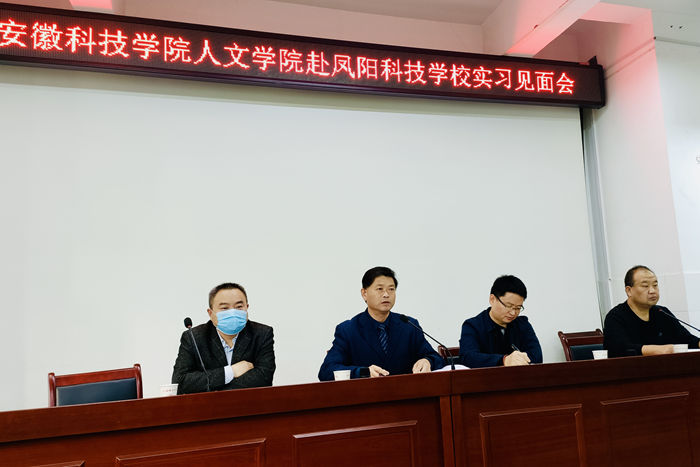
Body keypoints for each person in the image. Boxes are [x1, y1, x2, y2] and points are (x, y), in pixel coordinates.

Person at [318, 266, 444, 380]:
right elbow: (326, 371)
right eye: (379, 289)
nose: (386, 294)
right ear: (364, 293)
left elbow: (437, 358)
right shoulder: (348, 330)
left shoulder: (409, 325)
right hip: (366, 395)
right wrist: (363, 372)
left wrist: (428, 361)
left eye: (391, 289)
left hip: (406, 394)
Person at [172, 282, 275, 394]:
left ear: (247, 307)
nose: (233, 312)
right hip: (207, 405)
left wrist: (214, 388)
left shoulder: (262, 334)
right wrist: (230, 372)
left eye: (239, 307)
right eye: (225, 308)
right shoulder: (194, 337)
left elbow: (264, 378)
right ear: (210, 313)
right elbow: (180, 383)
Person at [603, 265, 699, 357]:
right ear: (629, 291)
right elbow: (618, 349)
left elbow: (687, 340)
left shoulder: (662, 312)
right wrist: (658, 350)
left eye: (655, 285)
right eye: (645, 286)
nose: (652, 291)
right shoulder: (616, 317)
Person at [459, 275, 542, 368]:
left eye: (518, 308)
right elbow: (468, 358)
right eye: (508, 306)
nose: (513, 313)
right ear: (492, 299)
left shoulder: (522, 324)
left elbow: (537, 356)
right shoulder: (473, 326)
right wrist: (504, 360)